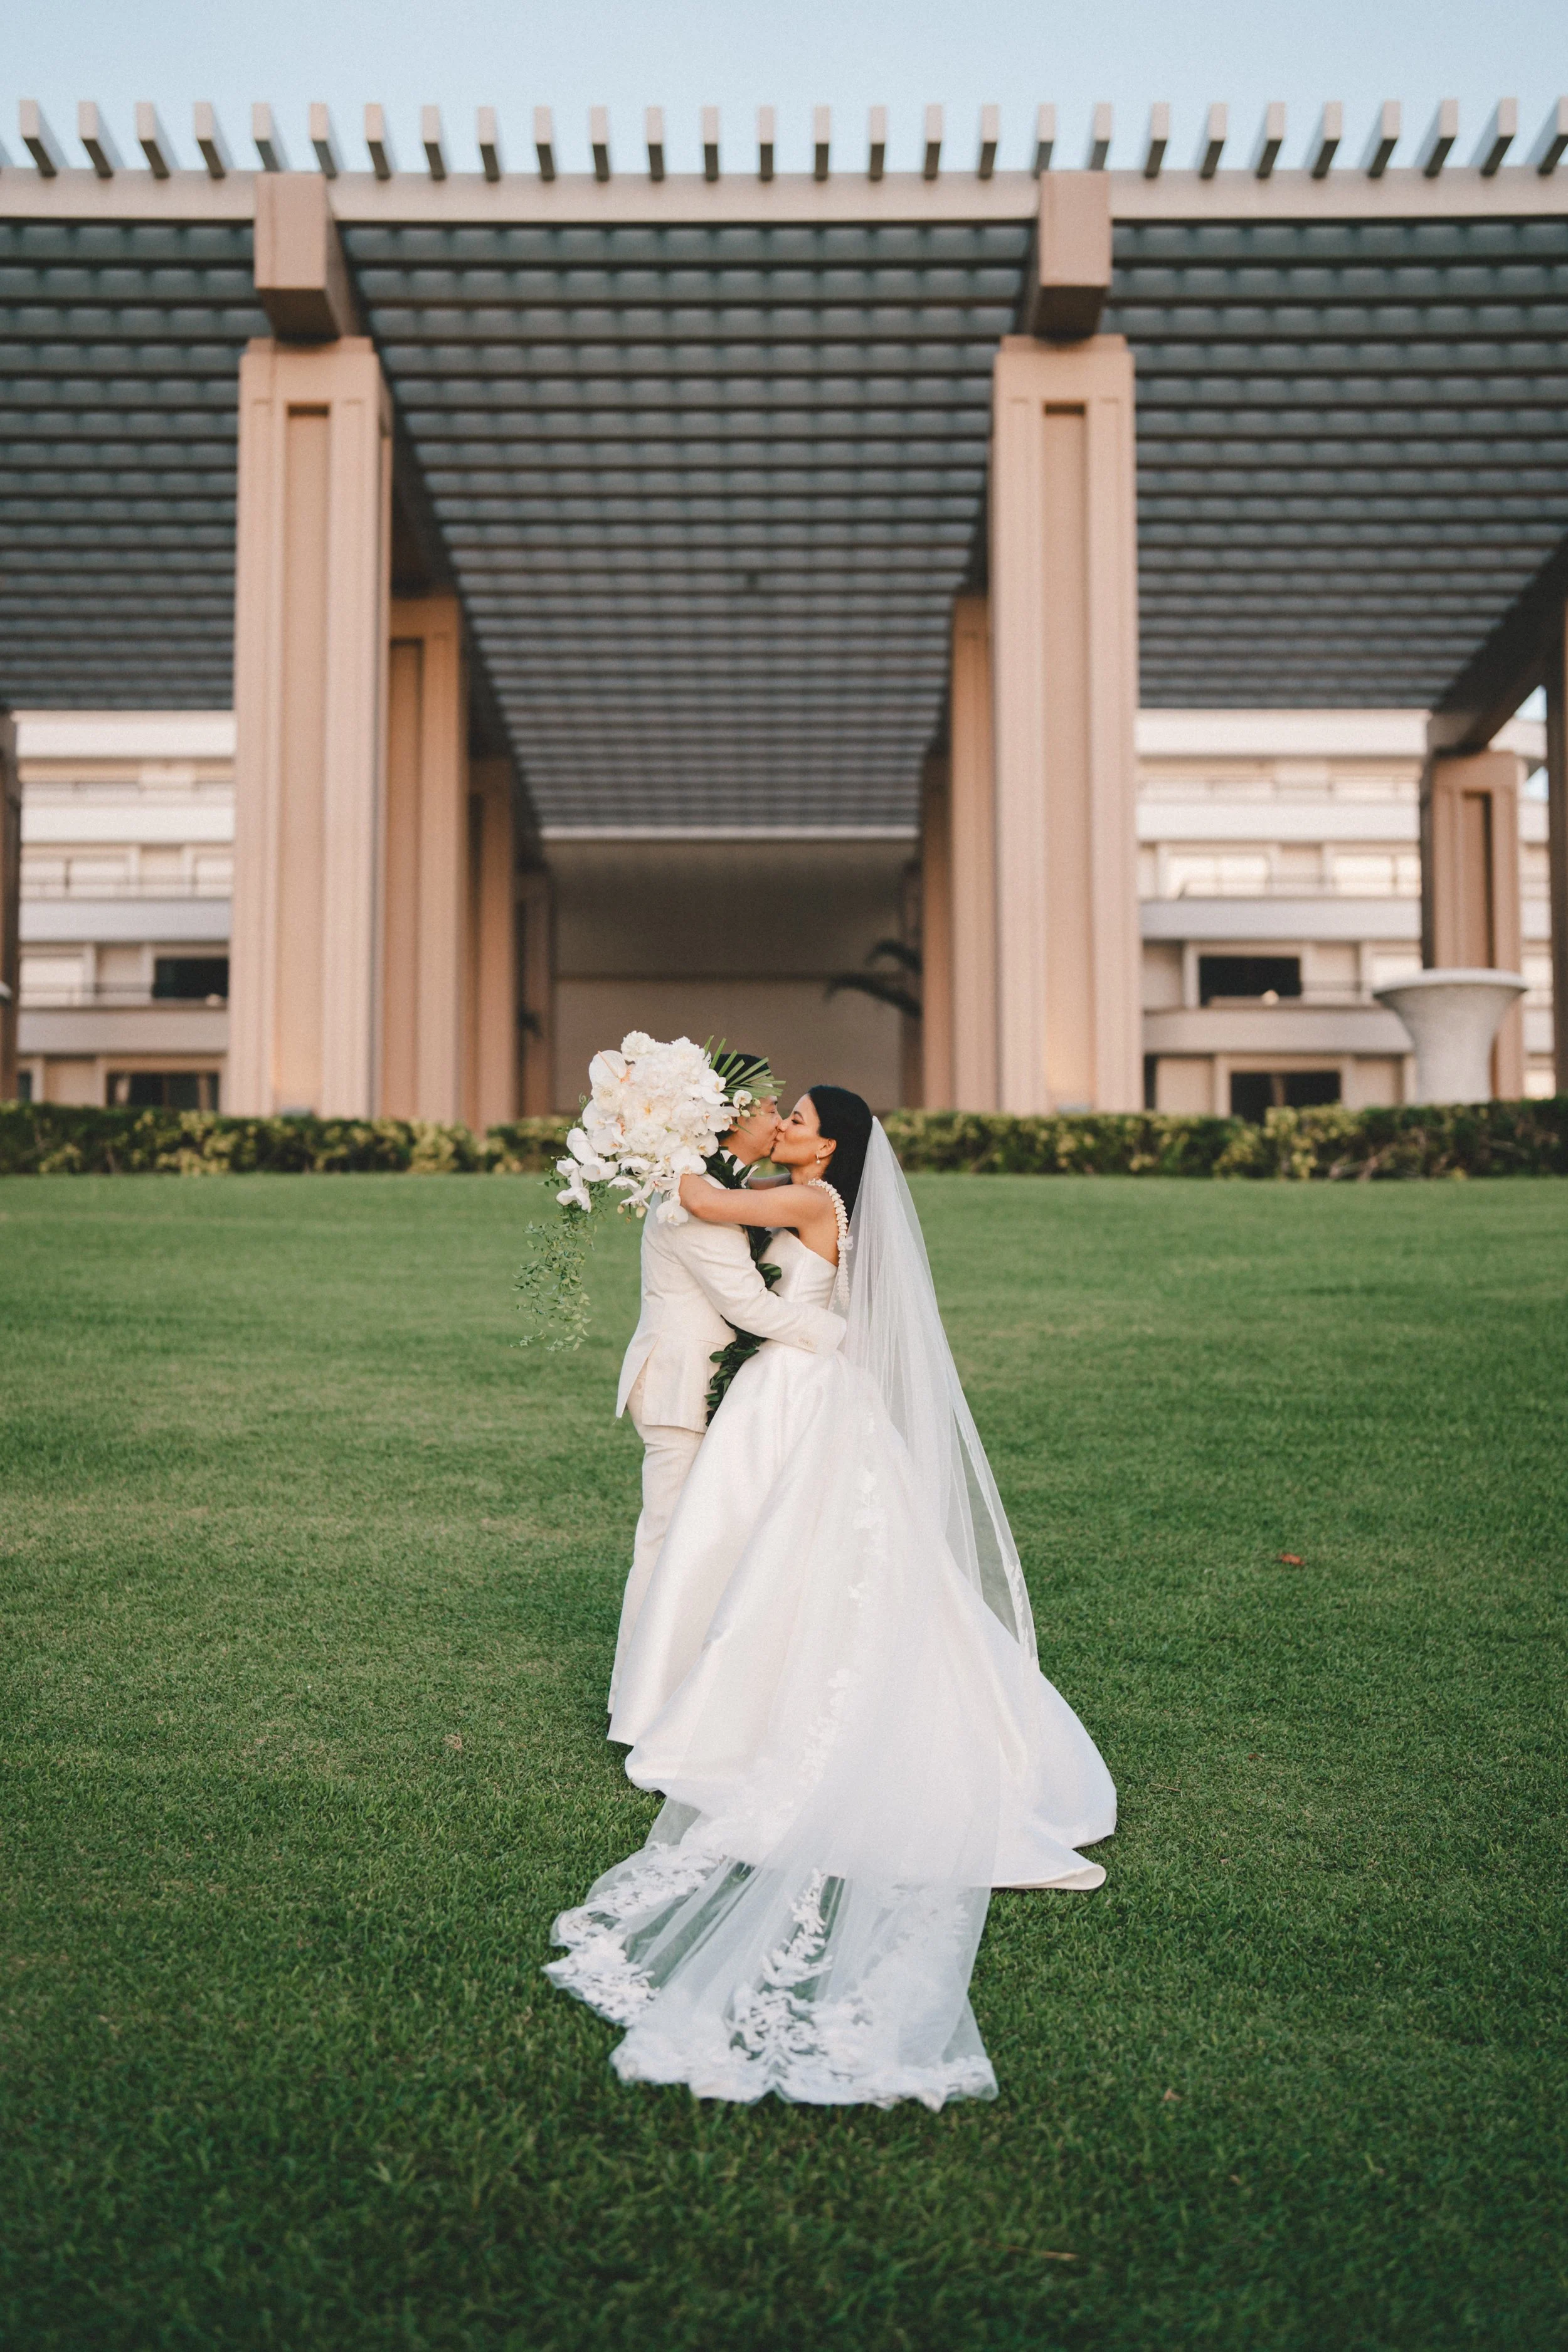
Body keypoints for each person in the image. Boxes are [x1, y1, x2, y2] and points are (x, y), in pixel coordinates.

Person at [548, 1085, 1116, 2110]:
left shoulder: (817, 1208)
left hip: (805, 1392)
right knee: (767, 1558)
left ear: (837, 1145)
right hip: (782, 1389)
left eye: (806, 1118)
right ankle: (727, 1689)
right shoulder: (789, 1188)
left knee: (805, 1561)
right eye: (791, 1115)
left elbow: (711, 1207)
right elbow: (722, 1203)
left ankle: (761, 1706)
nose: (792, 1125)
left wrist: (658, 1137)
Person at [609, 1052, 845, 1710]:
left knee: (718, 1541)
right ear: (730, 1118)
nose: (777, 1120)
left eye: (790, 1114)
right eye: (773, 1110)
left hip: (757, 1385)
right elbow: (747, 1305)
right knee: (668, 1543)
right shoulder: (699, 1197)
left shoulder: (732, 1190)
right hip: (686, 1388)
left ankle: (703, 1687)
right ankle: (643, 1696)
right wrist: (834, 1337)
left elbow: (725, 1204)